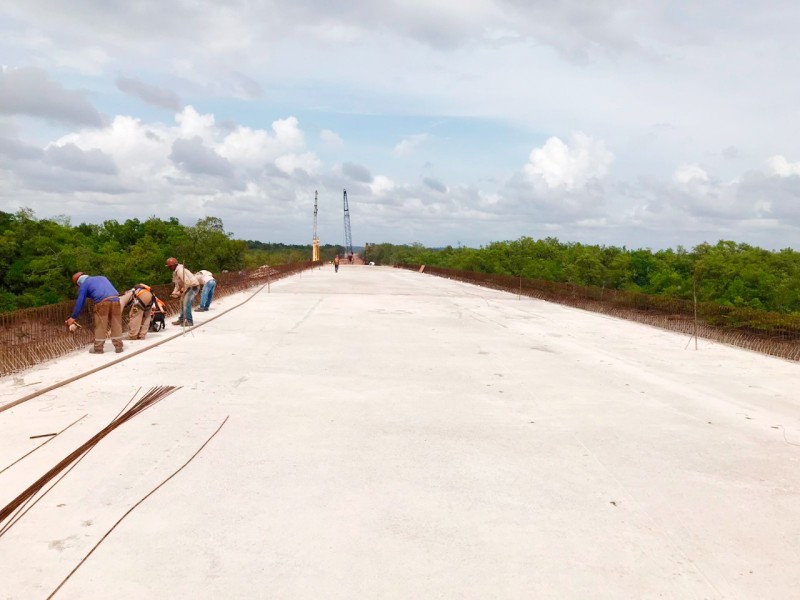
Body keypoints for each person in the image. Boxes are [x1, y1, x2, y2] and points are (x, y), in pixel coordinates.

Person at [65, 272, 124, 354]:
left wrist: (73, 317)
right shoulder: (102, 277)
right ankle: (119, 347)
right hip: (116, 300)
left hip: (102, 303)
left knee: (100, 325)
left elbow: (80, 302)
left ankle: (98, 348)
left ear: (78, 283)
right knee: (116, 324)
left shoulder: (84, 284)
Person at [166, 257, 199, 326]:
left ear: (175, 265)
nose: (169, 268)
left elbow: (187, 282)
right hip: (188, 287)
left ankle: (189, 321)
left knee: (186, 304)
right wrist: (174, 292)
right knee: (182, 302)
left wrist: (180, 292)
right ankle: (181, 319)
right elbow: (177, 284)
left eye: (170, 266)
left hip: (192, 287)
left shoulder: (180, 271)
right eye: (169, 266)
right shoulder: (175, 272)